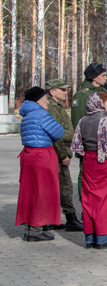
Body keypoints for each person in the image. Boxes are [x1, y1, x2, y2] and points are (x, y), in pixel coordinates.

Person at [70, 93, 107, 249]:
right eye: (106, 102)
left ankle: (90, 238)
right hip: (106, 162)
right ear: (100, 103)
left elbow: (77, 145)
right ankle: (102, 238)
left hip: (89, 161)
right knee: (106, 200)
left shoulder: (83, 120)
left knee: (89, 199)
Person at [17, 86, 65, 242]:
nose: (48, 102)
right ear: (38, 100)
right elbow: (59, 132)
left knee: (29, 192)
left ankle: (30, 227)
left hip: (28, 155)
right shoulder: (41, 114)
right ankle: (37, 229)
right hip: (42, 155)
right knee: (42, 192)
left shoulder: (27, 114)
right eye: (45, 98)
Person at [45, 79, 82, 232]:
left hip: (60, 151)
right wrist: (63, 154)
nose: (66, 92)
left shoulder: (57, 106)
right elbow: (54, 134)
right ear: (53, 91)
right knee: (64, 186)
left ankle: (50, 219)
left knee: (58, 186)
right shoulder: (51, 108)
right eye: (62, 89)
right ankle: (70, 219)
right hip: (57, 152)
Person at [71, 62, 107, 126]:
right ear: (94, 77)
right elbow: (78, 120)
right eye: (103, 75)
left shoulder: (105, 92)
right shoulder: (82, 95)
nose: (106, 78)